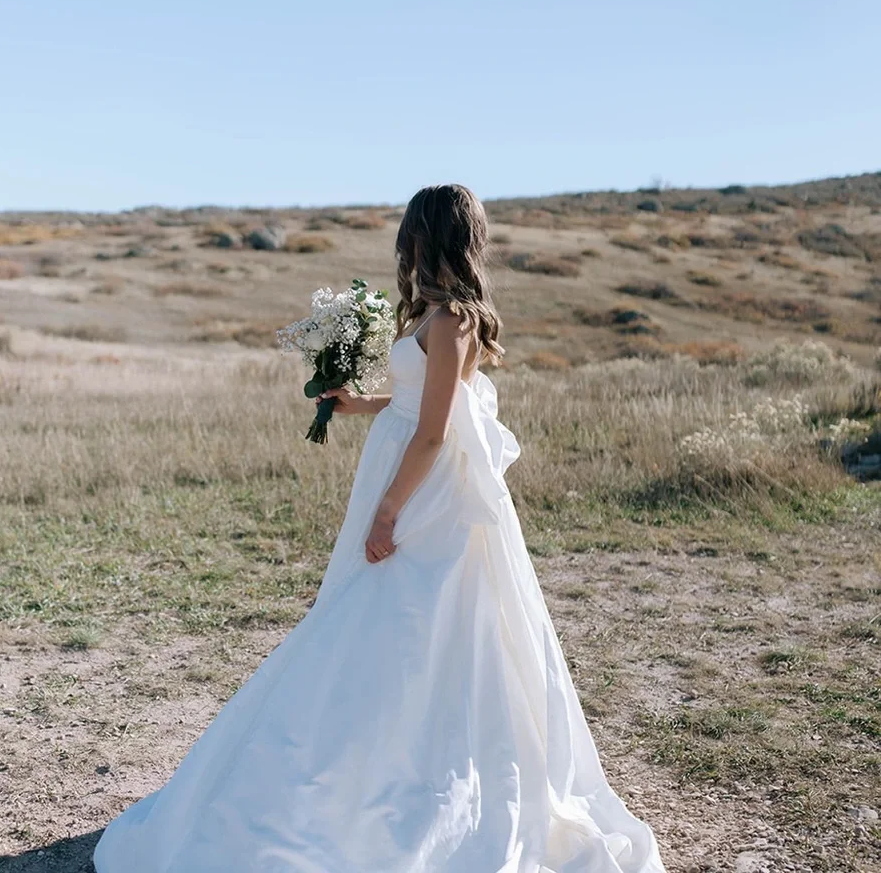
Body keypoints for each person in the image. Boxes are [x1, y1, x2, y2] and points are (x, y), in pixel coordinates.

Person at [94, 184, 667, 872]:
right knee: (385, 623)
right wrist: (361, 403)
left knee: (412, 624)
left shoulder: (453, 319)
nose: (406, 245)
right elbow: (421, 399)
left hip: (431, 498)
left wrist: (390, 509)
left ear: (429, 237)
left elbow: (433, 432)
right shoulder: (433, 313)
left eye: (412, 234)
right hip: (411, 475)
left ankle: (399, 779)